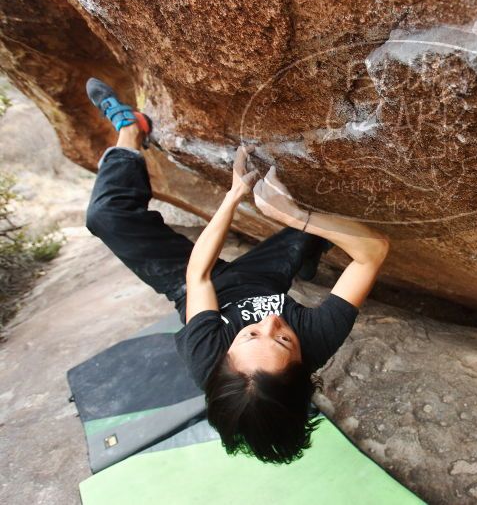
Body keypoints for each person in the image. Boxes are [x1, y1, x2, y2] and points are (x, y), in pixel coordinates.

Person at [83, 78, 390, 464]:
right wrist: (296, 216)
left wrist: (233, 197)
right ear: (300, 368)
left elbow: (199, 276)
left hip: (194, 286)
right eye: (283, 342)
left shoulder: (205, 355)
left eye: (252, 334)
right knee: (327, 212)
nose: (274, 321)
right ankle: (306, 247)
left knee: (105, 218)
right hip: (263, 278)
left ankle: (130, 128)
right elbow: (373, 252)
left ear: (226, 356)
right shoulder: (317, 340)